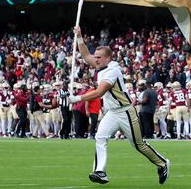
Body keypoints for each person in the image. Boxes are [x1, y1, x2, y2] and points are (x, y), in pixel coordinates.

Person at [70, 26, 169, 185]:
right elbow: (85, 55)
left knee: (138, 145)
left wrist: (76, 98)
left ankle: (163, 163)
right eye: (96, 57)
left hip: (126, 112)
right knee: (100, 137)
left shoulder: (112, 71)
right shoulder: (101, 66)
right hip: (112, 112)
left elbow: (99, 92)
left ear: (108, 58)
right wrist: (80, 36)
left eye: (99, 57)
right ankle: (100, 171)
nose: (95, 59)